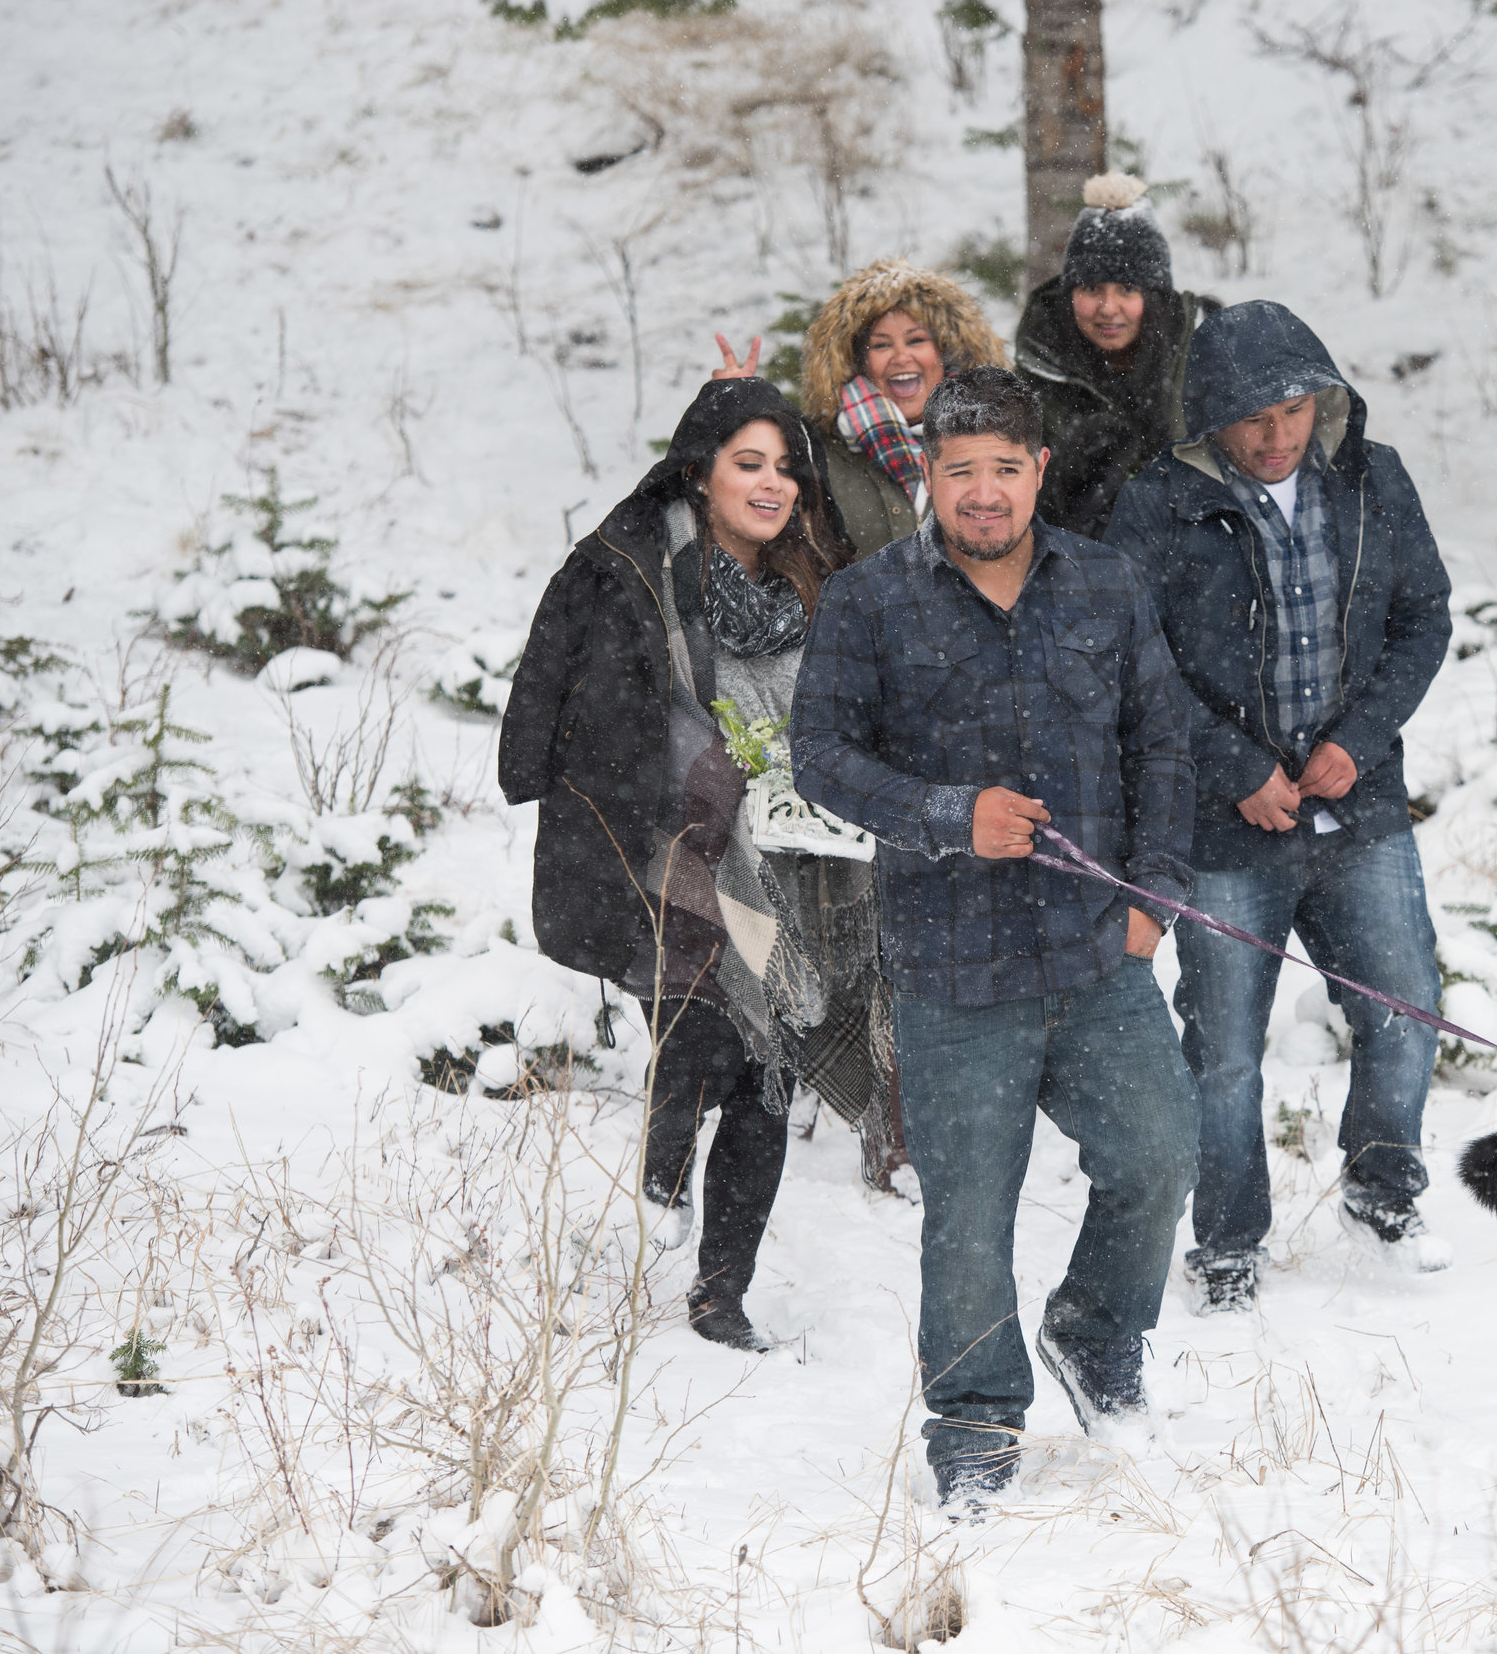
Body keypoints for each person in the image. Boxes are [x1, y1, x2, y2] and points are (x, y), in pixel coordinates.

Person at [787, 366, 1198, 1511]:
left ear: (1038, 472)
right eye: (958, 469)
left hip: (1094, 952)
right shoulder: (869, 601)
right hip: (952, 969)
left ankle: (1096, 1331)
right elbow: (820, 757)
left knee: (1162, 1153)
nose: (981, 493)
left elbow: (1160, 747)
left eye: (1003, 470)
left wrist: (1151, 896)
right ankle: (972, 1423)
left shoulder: (1108, 586)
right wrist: (947, 815)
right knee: (970, 1212)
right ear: (929, 471)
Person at [500, 377, 897, 1352]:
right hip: (658, 854)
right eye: (747, 463)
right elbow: (557, 705)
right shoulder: (625, 567)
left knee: (767, 1069)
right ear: (700, 469)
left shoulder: (809, 582)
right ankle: (653, 1202)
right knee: (700, 1043)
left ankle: (721, 1295)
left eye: (785, 470)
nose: (771, 485)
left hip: (779, 861)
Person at [1103, 301, 1455, 1314]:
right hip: (1225, 828)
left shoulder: (1371, 479)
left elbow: (1423, 617)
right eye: (1252, 417)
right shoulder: (1158, 503)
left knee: (1402, 1004)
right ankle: (1226, 1242)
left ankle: (1382, 1188)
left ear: (1324, 402)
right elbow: (1135, 658)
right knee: (1222, 1049)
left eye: (1294, 408)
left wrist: (1359, 740)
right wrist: (1231, 766)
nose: (1275, 434)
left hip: (1359, 811)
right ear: (1210, 418)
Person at [1014, 173, 1215, 539]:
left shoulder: (1200, 361)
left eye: (1126, 289)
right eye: (1091, 288)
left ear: (1152, 297)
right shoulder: (1038, 377)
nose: (1108, 308)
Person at [783, 259, 1011, 558]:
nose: (901, 357)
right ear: (858, 362)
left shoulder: (999, 441)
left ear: (944, 353)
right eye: (881, 345)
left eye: (916, 340)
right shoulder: (819, 454)